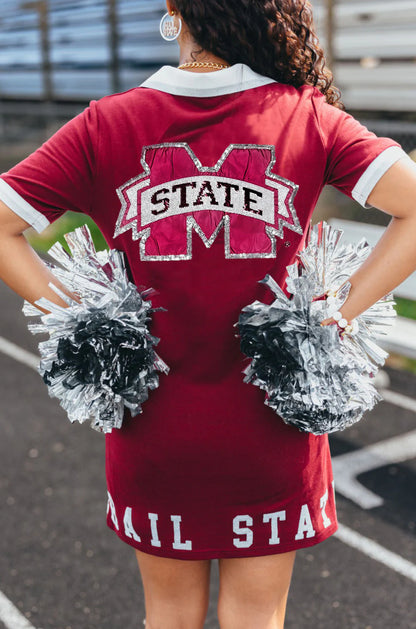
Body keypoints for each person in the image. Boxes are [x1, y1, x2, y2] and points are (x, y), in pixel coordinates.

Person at [0, 1, 416, 627]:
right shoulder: (306, 115)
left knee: (167, 617)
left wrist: (86, 318)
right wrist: (333, 315)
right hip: (274, 433)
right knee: (256, 619)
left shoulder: (106, 124)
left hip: (155, 436)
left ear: (174, 9)